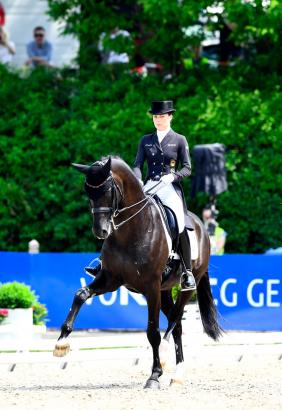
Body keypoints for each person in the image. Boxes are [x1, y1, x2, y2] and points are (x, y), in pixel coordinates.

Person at [132, 100, 196, 291]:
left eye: (161, 116)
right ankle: (106, 262)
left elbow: (187, 168)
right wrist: (138, 180)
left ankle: (187, 271)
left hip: (169, 186)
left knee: (179, 219)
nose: (157, 120)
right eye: (155, 116)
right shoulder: (146, 140)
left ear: (170, 117)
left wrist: (173, 176)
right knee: (126, 211)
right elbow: (137, 164)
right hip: (149, 184)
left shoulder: (179, 139)